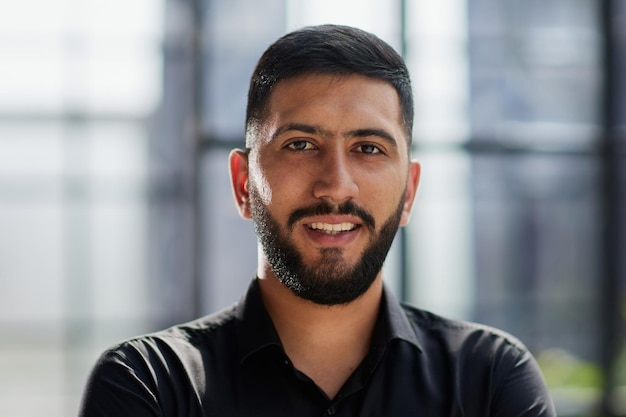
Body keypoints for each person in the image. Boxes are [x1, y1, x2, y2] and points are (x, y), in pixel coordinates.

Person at [78, 24, 556, 416]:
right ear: (244, 183)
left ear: (409, 191)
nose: (336, 185)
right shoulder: (151, 384)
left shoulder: (488, 379)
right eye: (301, 145)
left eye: (368, 149)